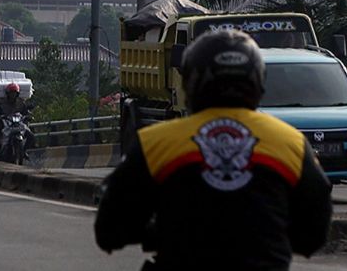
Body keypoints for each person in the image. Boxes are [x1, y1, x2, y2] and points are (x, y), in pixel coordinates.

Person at [95, 28, 332, 270]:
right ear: (258, 82)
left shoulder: (155, 143)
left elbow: (109, 229)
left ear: (191, 83)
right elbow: (314, 231)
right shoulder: (290, 142)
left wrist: (156, 232)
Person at [0, 82, 32, 152]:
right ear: (7, 93)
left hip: (18, 124)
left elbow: (25, 112)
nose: (13, 95)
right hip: (6, 124)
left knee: (30, 135)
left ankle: (24, 151)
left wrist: (28, 116)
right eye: (11, 93)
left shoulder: (21, 103)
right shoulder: (2, 104)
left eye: (14, 93)